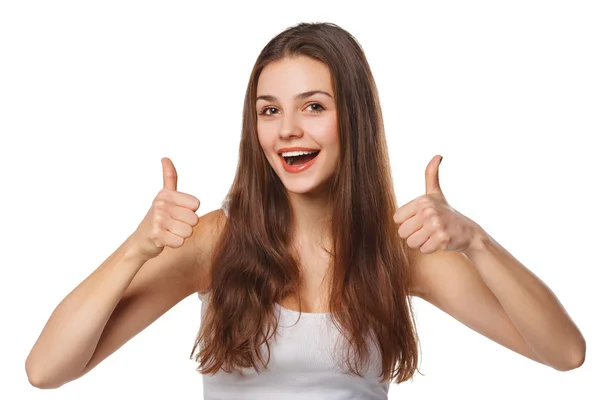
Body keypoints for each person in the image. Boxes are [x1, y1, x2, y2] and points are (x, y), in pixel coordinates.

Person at [25, 22, 585, 399]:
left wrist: (476, 242)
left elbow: (564, 352)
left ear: (354, 120)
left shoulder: (395, 253)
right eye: (270, 110)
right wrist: (135, 249)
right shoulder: (216, 243)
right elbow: (47, 370)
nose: (288, 129)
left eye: (313, 107)